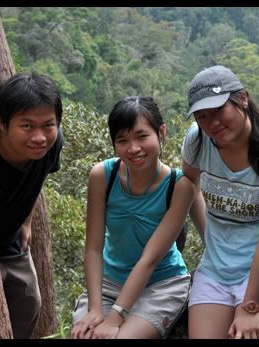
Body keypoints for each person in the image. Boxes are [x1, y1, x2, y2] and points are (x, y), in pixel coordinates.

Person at [181, 65, 259, 339]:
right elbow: (190, 188)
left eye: (219, 110)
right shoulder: (197, 140)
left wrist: (249, 305)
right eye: (202, 116)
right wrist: (208, 238)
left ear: (243, 99)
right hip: (215, 271)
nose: (212, 123)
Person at [71, 96, 195, 339]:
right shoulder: (103, 175)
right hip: (108, 284)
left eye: (142, 136)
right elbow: (94, 248)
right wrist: (96, 310)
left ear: (161, 133)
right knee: (84, 335)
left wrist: (115, 318)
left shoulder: (179, 186)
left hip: (161, 285)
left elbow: (149, 260)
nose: (133, 148)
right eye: (122, 140)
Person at [0, 73, 64, 338]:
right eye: (27, 126)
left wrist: (26, 221)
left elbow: (40, 176)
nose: (39, 137)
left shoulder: (52, 143)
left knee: (28, 303)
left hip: (11, 243)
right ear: (2, 122)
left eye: (48, 124)